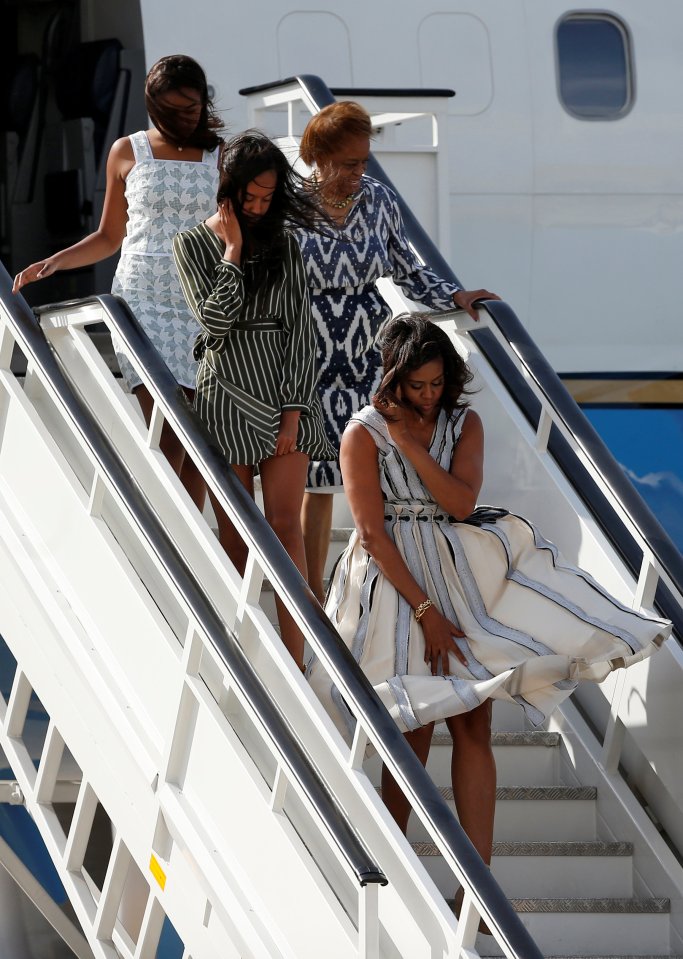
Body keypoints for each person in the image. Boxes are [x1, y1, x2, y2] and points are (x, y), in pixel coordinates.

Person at [306, 313, 670, 931]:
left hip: (459, 578)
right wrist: (425, 614)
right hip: (394, 583)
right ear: (392, 378)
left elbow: (459, 503)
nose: (428, 395)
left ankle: (477, 894)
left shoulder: (461, 422)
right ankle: (388, 882)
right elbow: (369, 532)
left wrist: (416, 450)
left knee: (475, 720)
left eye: (436, 383)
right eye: (416, 385)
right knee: (411, 730)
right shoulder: (360, 433)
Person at [294, 100, 500, 603]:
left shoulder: (379, 200)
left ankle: (386, 588)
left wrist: (454, 296)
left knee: (385, 472)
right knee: (319, 484)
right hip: (309, 356)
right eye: (347, 163)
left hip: (370, 356)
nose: (357, 172)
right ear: (317, 155)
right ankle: (311, 594)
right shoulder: (288, 205)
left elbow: (407, 270)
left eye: (363, 161)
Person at [12, 54, 224, 507]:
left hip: (201, 301)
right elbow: (110, 236)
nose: (181, 120)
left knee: (198, 442)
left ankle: (189, 552)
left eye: (190, 109)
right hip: (143, 298)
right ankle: (174, 543)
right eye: (170, 112)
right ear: (152, 106)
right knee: (168, 431)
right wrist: (54, 262)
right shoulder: (127, 150)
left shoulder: (221, 155)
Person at [172, 131, 335, 670]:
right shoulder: (192, 244)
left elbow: (299, 332)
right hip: (225, 400)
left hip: (281, 395)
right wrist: (233, 250)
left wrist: (293, 411)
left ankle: (297, 656)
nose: (261, 206)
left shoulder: (286, 243)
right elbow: (215, 321)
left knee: (285, 530)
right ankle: (247, 657)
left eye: (269, 197)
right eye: (251, 197)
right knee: (236, 540)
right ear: (230, 187)